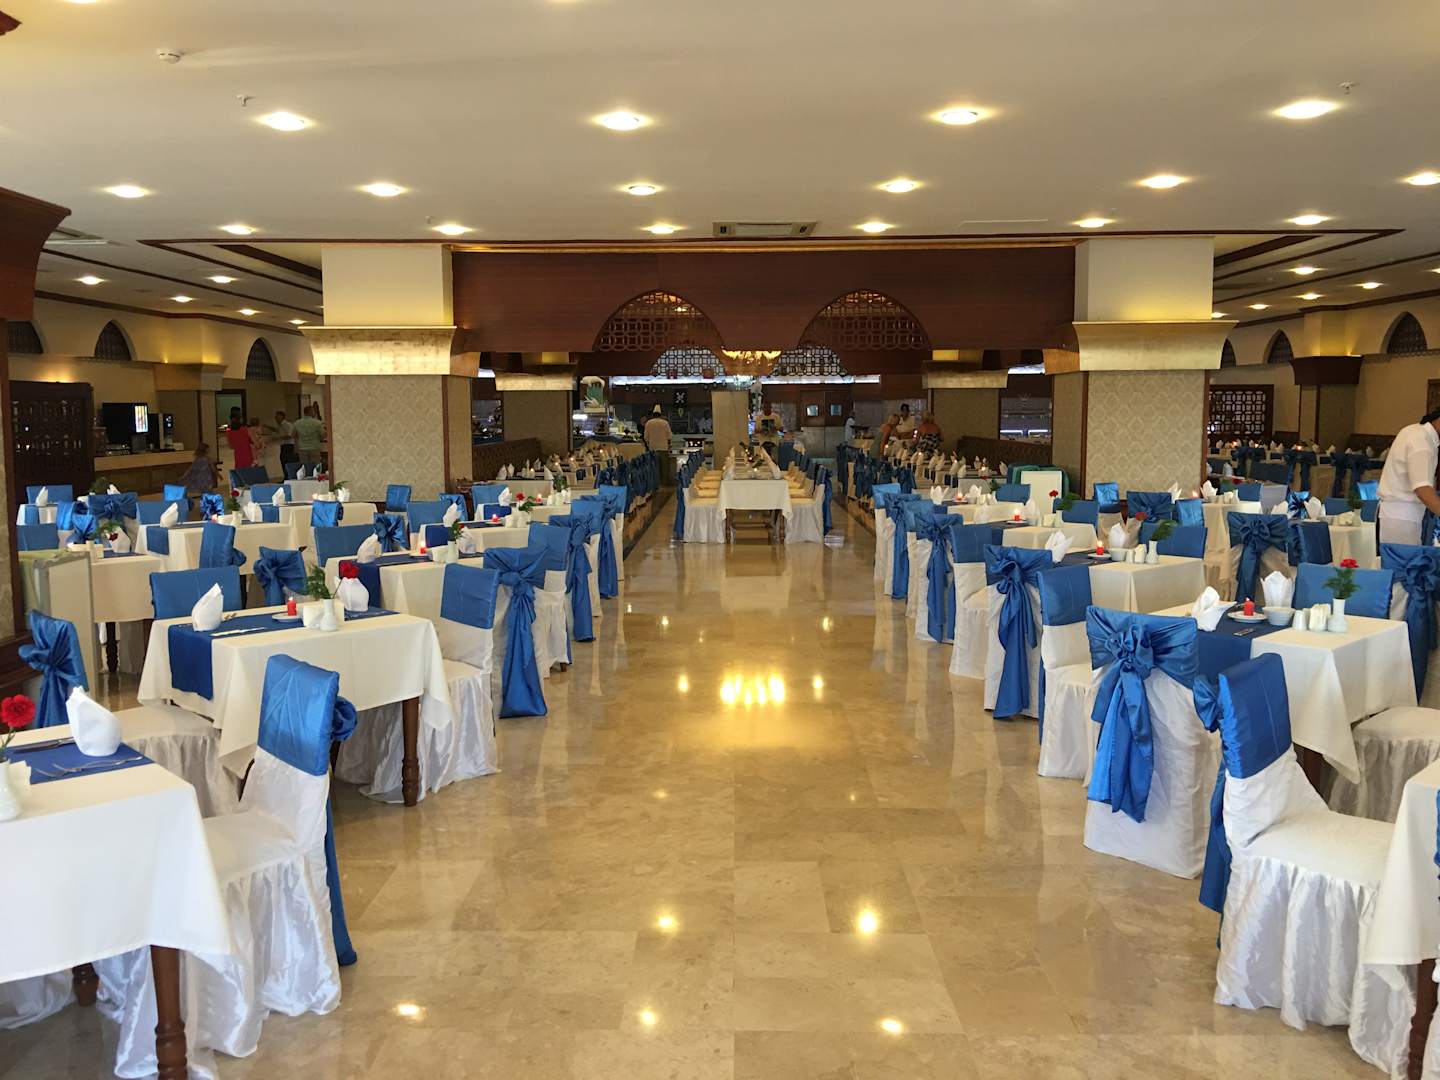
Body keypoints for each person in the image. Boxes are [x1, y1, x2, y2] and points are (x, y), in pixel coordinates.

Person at [1376, 407, 1440, 545]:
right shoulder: (1422, 442)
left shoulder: (1413, 431)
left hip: (1394, 515)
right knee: (1404, 559)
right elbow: (1423, 490)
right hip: (1403, 518)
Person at [643, 405, 675, 486]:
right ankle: (664, 484)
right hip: (663, 448)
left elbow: (645, 437)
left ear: (653, 414)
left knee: (655, 468)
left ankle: (656, 484)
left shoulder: (648, 423)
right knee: (664, 468)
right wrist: (669, 445)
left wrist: (648, 443)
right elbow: (669, 436)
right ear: (660, 414)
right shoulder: (665, 423)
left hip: (653, 449)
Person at [293, 405, 327, 470]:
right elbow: (323, 434)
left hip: (302, 448)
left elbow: (293, 435)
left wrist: (301, 437)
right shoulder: (317, 423)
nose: (315, 413)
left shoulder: (297, 423)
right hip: (315, 447)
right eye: (314, 411)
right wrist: (320, 438)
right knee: (316, 467)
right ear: (310, 412)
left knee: (305, 467)